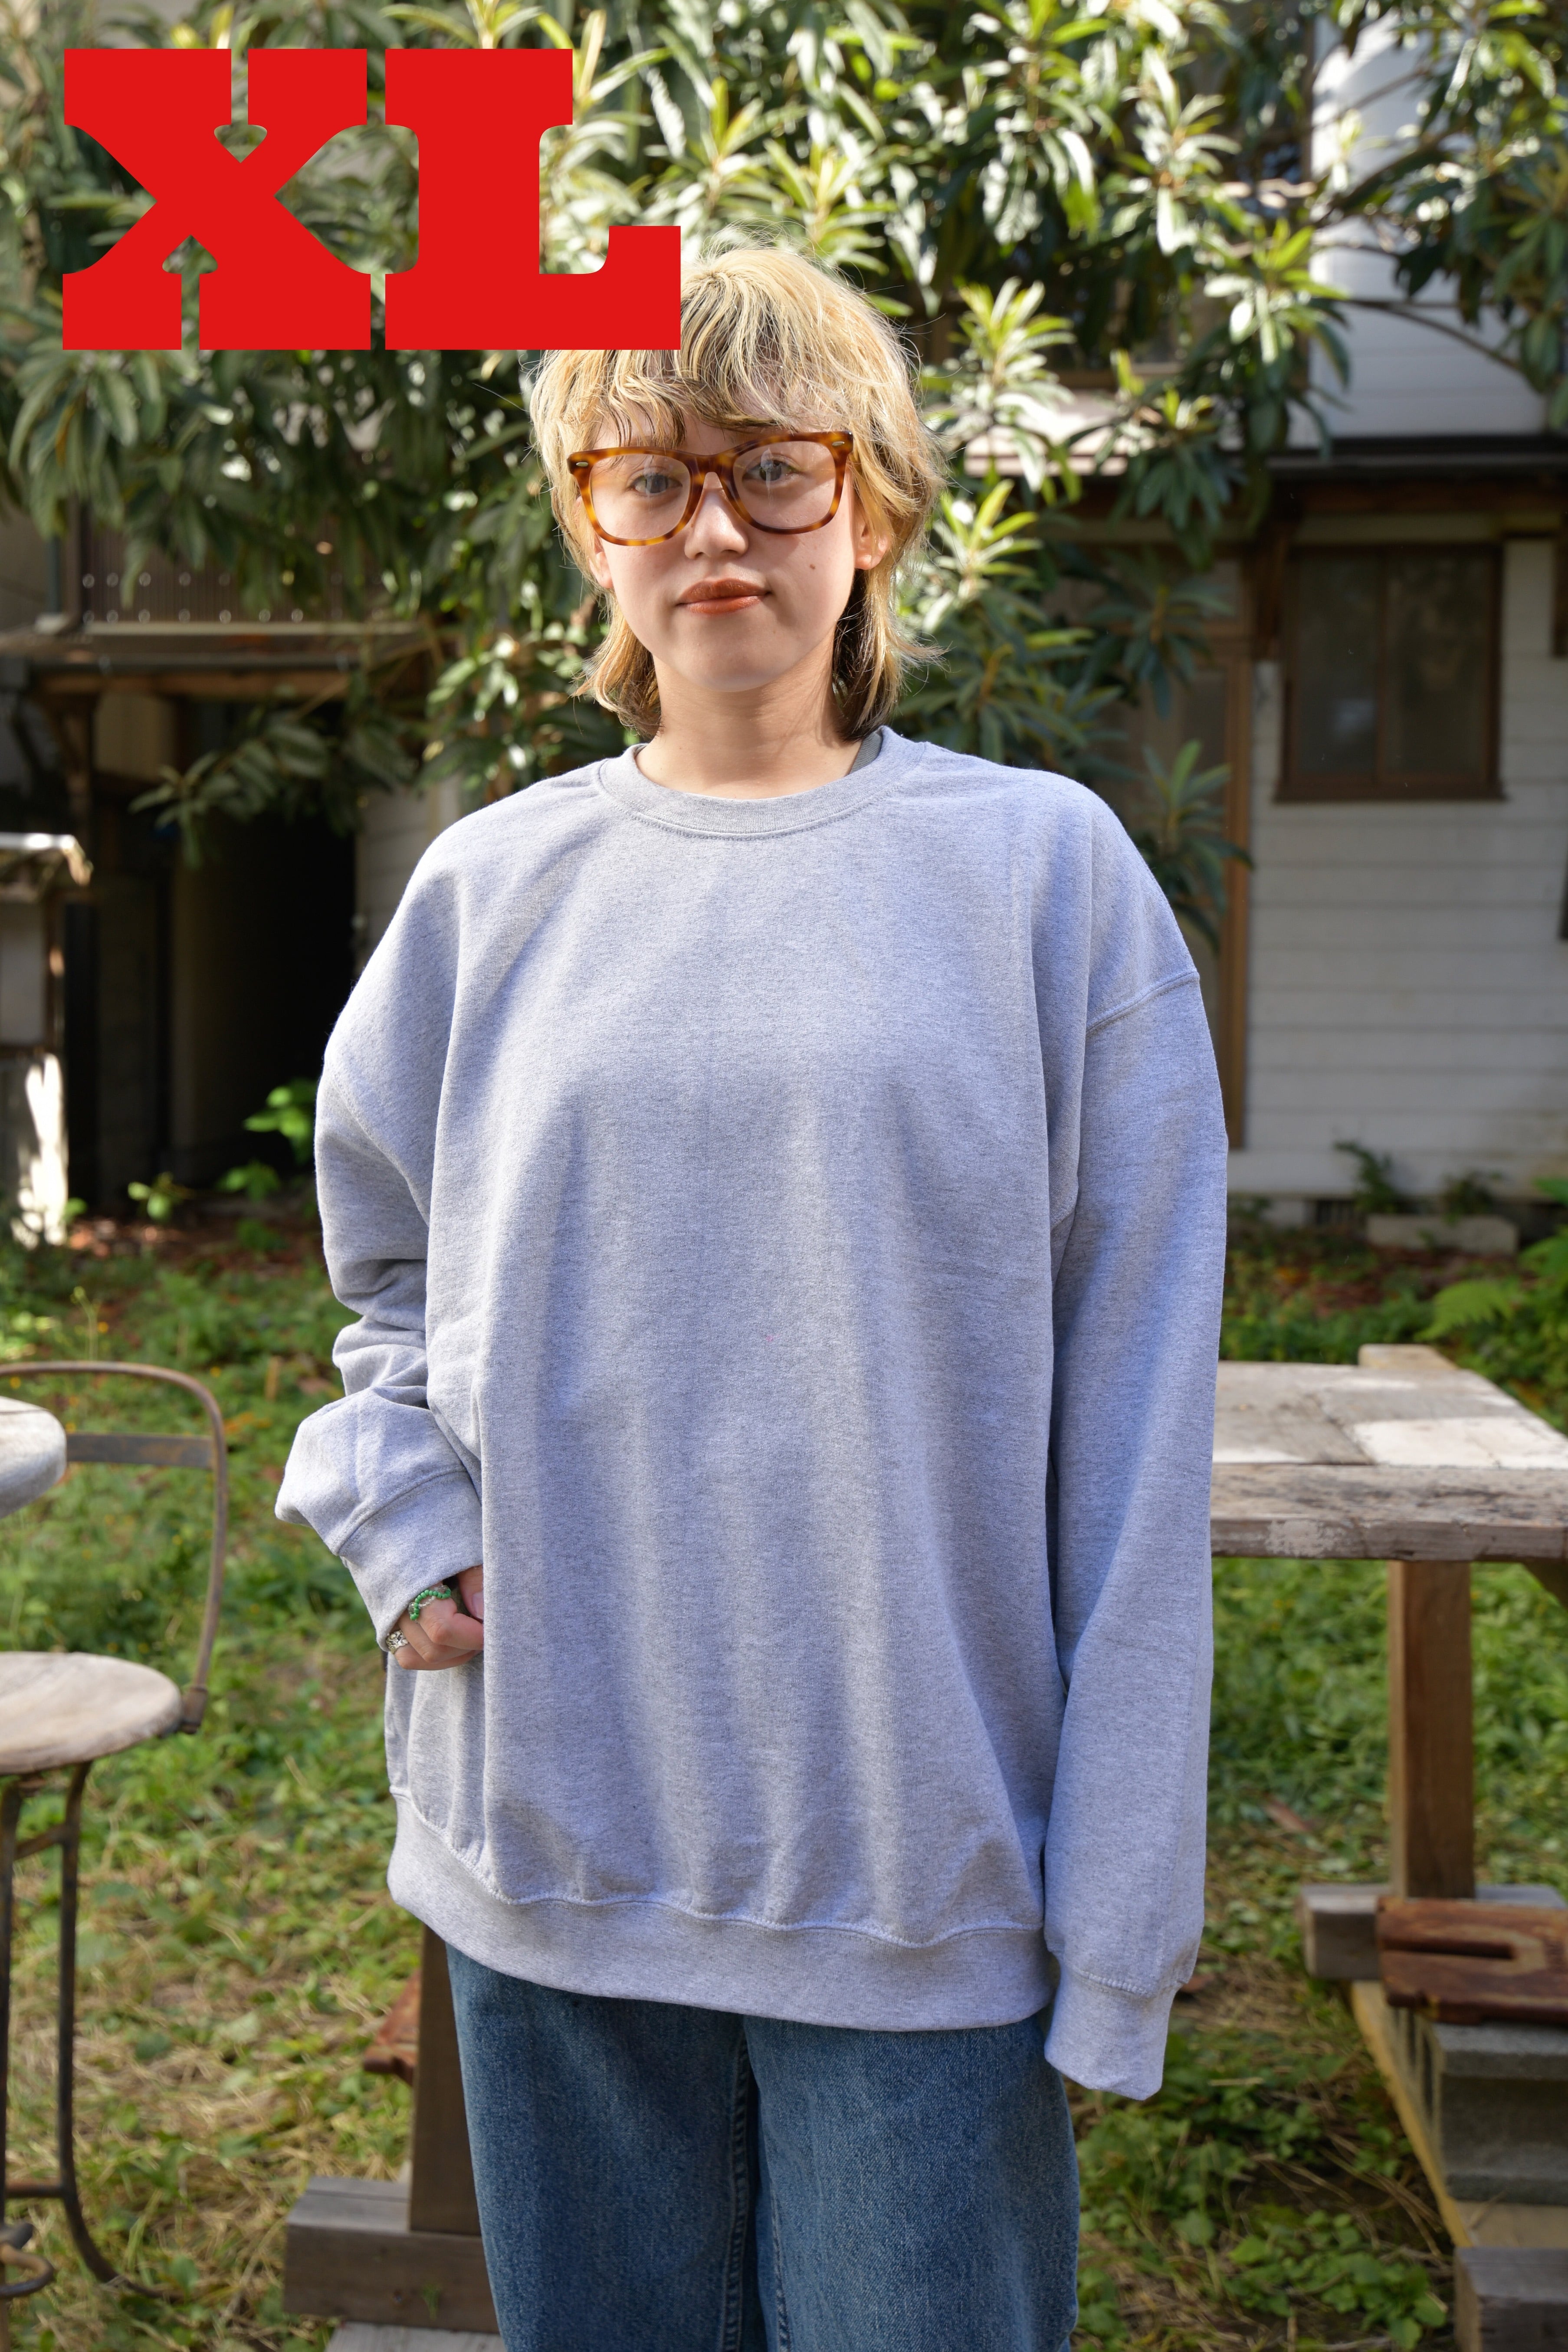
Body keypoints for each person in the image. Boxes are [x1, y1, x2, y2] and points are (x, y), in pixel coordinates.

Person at [278, 243, 1227, 2352]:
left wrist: (1118, 1914)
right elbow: (385, 1273)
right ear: (591, 530)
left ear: (868, 510)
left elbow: (1140, 1432)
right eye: (654, 476)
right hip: (552, 1843)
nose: (715, 526)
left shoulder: (1046, 881)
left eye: (774, 468)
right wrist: (402, 1516)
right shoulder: (489, 891)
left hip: (916, 1870)